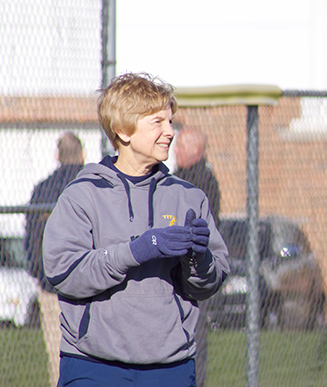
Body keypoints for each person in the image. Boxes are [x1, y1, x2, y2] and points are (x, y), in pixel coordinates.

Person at [42, 72, 229, 387]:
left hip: (171, 368)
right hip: (93, 366)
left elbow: (207, 285)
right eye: (158, 122)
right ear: (123, 131)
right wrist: (136, 251)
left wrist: (199, 259)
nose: (170, 132)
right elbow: (63, 272)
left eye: (171, 121)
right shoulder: (83, 193)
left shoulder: (189, 196)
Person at [25, 131, 84, 387]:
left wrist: (38, 273)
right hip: (88, 283)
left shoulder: (42, 189)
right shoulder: (92, 184)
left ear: (57, 156)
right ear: (82, 155)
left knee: (56, 352)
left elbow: (32, 238)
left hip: (52, 284)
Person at [174, 127, 222, 387]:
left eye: (180, 147)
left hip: (192, 274)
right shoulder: (178, 177)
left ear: (194, 150)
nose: (175, 151)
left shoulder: (200, 182)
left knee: (193, 334)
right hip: (175, 273)